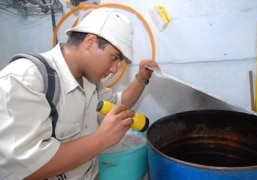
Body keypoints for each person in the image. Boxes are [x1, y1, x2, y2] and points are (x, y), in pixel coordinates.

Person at [0, 7, 159, 180]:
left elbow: (119, 104)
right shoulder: (25, 79)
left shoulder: (91, 81)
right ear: (90, 42)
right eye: (114, 57)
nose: (114, 69)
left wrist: (142, 78)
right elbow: (24, 170)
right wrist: (101, 139)